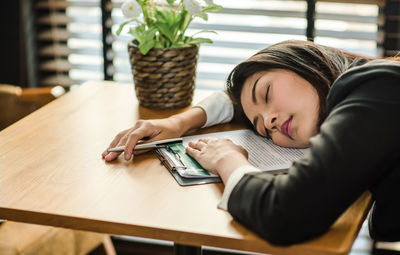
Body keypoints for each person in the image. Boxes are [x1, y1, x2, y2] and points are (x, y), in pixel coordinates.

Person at [102, 40, 400, 245]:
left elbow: (286, 211)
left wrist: (227, 159)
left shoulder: (377, 86)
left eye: (267, 93)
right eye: (263, 129)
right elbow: (236, 100)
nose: (270, 122)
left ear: (303, 61)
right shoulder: (374, 88)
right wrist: (178, 123)